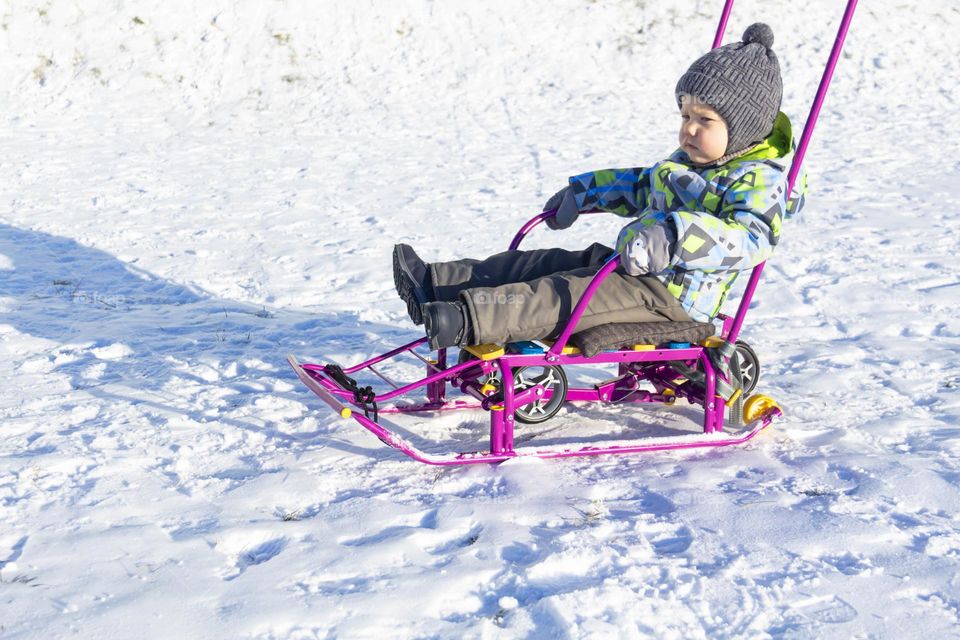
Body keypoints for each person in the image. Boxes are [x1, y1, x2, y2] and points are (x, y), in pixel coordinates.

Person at [394, 23, 805, 351]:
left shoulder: (760, 181)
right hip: (633, 266)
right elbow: (640, 185)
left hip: (673, 301)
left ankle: (465, 319)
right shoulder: (688, 162)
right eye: (684, 115)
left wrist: (676, 235)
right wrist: (583, 193)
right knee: (546, 262)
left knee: (565, 295)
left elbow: (752, 240)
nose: (688, 130)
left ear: (743, 128)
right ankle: (437, 282)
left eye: (705, 120)